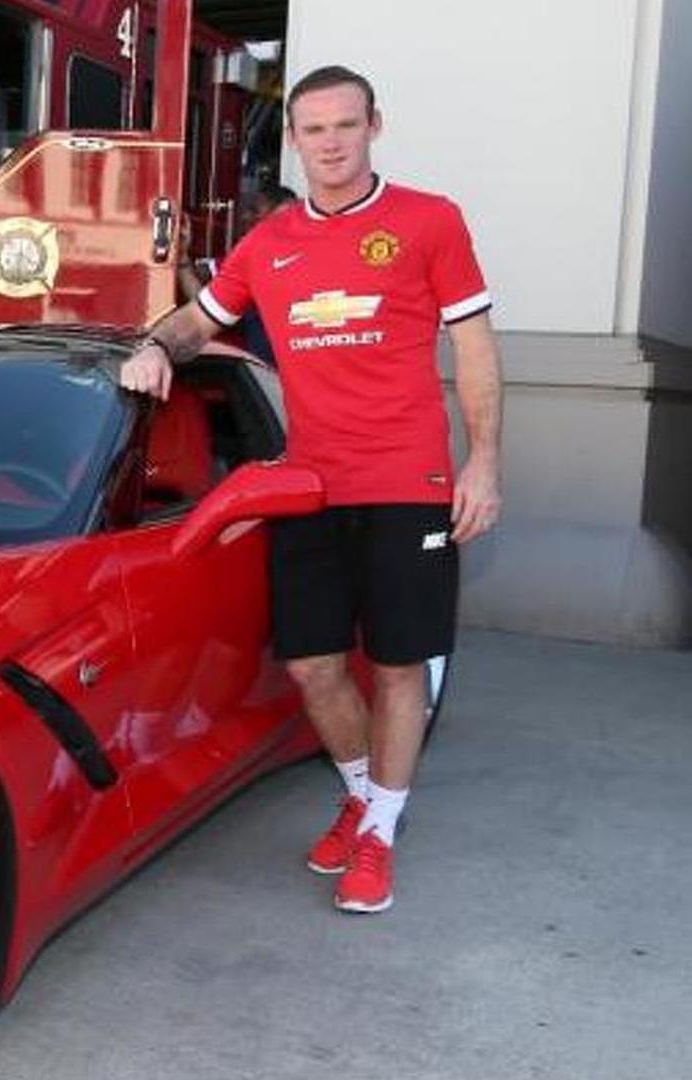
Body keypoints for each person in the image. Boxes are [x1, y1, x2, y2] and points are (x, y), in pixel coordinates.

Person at [119, 65, 504, 914]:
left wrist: (483, 463)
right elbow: (198, 320)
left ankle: (379, 832)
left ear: (374, 127)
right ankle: (364, 797)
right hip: (310, 483)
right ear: (293, 139)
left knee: (398, 666)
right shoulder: (271, 242)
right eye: (314, 130)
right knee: (312, 665)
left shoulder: (429, 220)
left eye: (345, 126)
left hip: (408, 480)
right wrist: (153, 347)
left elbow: (474, 346)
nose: (331, 144)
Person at [176, 185, 300, 364]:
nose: (246, 218)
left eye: (255, 212)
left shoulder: (310, 261)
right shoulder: (247, 260)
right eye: (249, 211)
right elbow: (207, 306)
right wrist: (182, 259)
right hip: (262, 372)